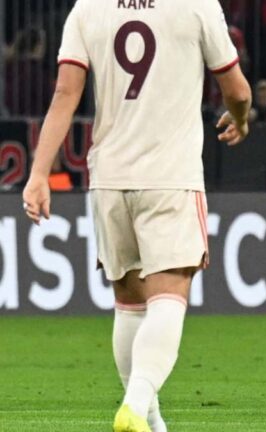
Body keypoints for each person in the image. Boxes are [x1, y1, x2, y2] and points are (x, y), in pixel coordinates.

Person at [21, 1, 252, 431]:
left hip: (109, 176)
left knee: (129, 304)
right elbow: (236, 90)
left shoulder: (88, 8)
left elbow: (65, 93)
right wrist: (240, 119)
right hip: (171, 175)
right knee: (169, 296)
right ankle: (136, 404)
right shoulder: (197, 5)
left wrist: (38, 174)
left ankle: (151, 419)